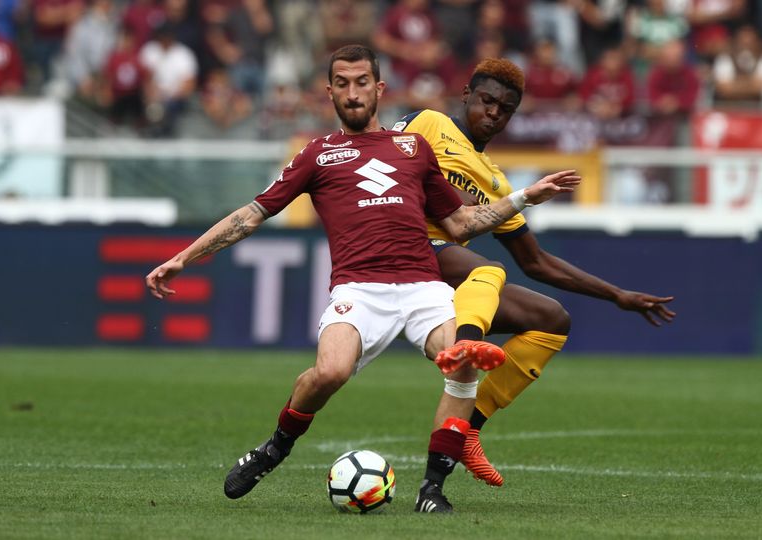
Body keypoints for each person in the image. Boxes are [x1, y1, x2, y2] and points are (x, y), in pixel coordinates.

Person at [145, 45, 581, 513]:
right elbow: (251, 215)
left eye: (361, 83)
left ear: (379, 89)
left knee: (462, 364)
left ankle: (432, 489)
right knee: (329, 372)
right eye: (342, 83)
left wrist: (524, 198)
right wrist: (184, 258)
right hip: (358, 288)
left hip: (422, 286)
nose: (352, 93)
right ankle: (274, 448)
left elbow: (459, 224)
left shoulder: (414, 149)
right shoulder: (317, 154)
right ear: (330, 91)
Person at [393, 57, 676, 487]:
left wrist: (618, 295)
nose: (493, 113)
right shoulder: (428, 123)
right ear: (466, 95)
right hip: (401, 250)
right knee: (485, 269)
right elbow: (380, 163)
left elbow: (536, 262)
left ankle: (468, 426)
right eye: (487, 101)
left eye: (505, 109)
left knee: (552, 319)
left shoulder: (496, 183)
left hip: (443, 267)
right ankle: (465, 351)